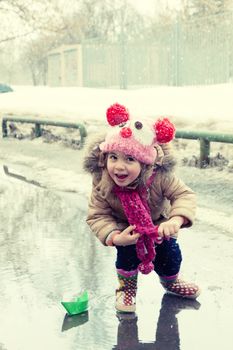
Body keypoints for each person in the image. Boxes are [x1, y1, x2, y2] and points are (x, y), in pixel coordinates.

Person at [83, 103, 200, 313]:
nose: (119, 166)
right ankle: (126, 289)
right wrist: (114, 236)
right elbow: (97, 214)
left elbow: (184, 195)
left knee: (170, 256)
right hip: (125, 229)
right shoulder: (103, 181)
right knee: (126, 258)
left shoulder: (160, 178)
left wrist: (175, 220)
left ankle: (170, 281)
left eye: (129, 159)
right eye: (113, 157)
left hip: (158, 226)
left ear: (145, 163)